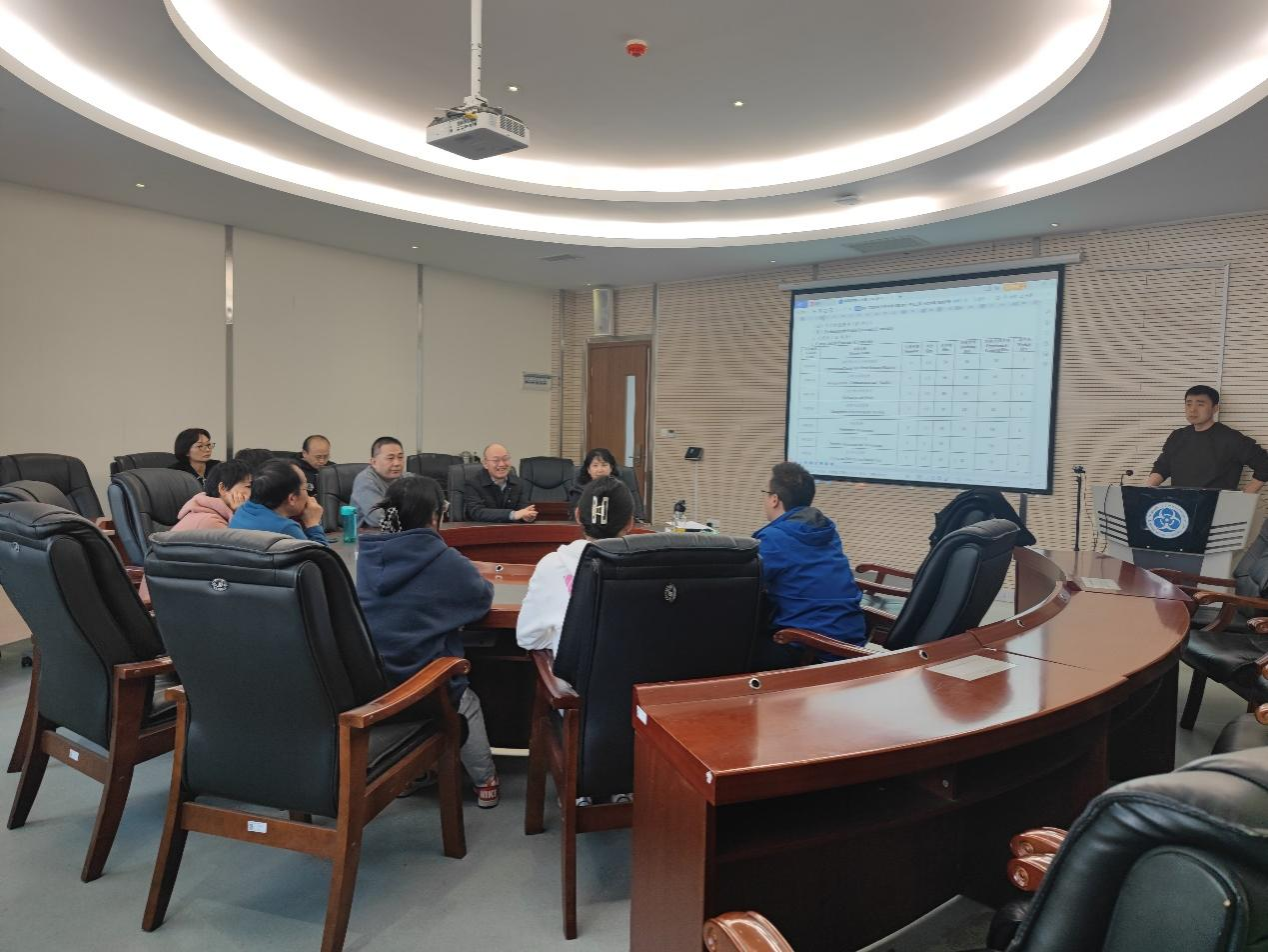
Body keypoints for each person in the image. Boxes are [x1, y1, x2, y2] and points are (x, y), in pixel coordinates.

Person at [356, 476, 500, 808]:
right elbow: (481, 599)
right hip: (423, 684)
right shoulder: (443, 559)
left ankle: (412, 774)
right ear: (436, 515)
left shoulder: (368, 555)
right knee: (464, 699)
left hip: (374, 682)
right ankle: (485, 781)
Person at [754, 462, 865, 664]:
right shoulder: (826, 531)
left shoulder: (775, 538)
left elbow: (745, 583)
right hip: (851, 645)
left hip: (811, 650)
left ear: (774, 499)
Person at [517, 476, 634, 654]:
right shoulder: (651, 567)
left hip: (575, 671)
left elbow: (527, 638)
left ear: (578, 515)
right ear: (630, 523)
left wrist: (560, 638)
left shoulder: (552, 566)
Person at [1147, 385, 1268, 492]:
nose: (1192, 409)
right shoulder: (1177, 436)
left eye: (1200, 404)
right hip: (1180, 505)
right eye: (1189, 404)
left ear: (1215, 408)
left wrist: (1246, 495)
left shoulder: (1231, 438)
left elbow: (1264, 464)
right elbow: (1162, 466)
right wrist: (1146, 491)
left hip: (1216, 506)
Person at [228, 459, 328, 544]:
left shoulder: (242, 511)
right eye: (306, 487)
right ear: (292, 498)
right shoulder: (286, 529)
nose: (308, 495)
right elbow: (323, 559)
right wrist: (313, 524)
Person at [171, 459, 253, 531]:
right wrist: (242, 514)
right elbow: (245, 542)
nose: (253, 491)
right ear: (223, 488)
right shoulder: (210, 522)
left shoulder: (214, 516)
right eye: (249, 486)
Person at [464, 443, 536, 522]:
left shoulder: (519, 483)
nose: (502, 464)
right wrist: (512, 514)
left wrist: (527, 516)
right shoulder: (473, 483)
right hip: (482, 528)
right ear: (485, 464)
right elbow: (476, 512)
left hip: (511, 528)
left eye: (505, 459)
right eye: (496, 460)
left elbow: (523, 509)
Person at [350, 436, 408, 527]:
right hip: (370, 533)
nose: (397, 463)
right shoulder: (365, 480)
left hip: (400, 531)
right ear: (374, 462)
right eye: (390, 458)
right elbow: (378, 519)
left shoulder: (406, 477)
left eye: (400, 457)